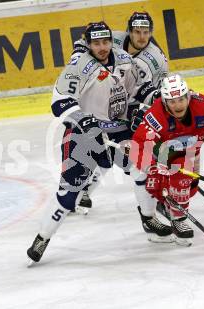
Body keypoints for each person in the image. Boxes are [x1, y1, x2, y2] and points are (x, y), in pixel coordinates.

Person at [27, 21, 172, 264]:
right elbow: (60, 100)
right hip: (83, 136)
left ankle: (148, 219)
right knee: (69, 193)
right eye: (96, 43)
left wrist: (148, 101)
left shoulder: (124, 60)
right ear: (88, 44)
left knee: (144, 167)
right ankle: (43, 237)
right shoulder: (79, 66)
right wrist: (85, 122)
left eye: (105, 42)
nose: (103, 47)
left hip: (117, 131)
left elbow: (135, 90)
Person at [72, 11, 169, 210]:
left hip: (135, 102)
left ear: (151, 33)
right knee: (105, 148)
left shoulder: (155, 59)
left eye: (146, 32)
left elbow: (151, 92)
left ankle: (157, 191)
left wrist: (141, 111)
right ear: (129, 31)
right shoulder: (113, 38)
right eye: (136, 31)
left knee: (134, 150)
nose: (141, 37)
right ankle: (82, 192)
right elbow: (82, 44)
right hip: (108, 98)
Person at [129, 74, 204, 246]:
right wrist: (152, 169)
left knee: (189, 185)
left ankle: (172, 209)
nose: (178, 105)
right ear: (165, 102)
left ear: (188, 96)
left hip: (189, 149)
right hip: (160, 150)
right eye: (172, 102)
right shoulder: (156, 115)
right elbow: (138, 147)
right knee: (155, 180)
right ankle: (153, 218)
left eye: (181, 99)